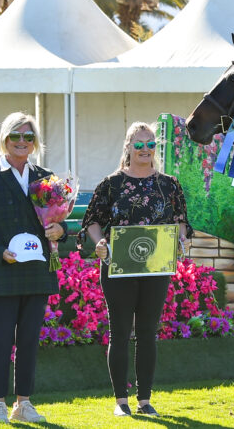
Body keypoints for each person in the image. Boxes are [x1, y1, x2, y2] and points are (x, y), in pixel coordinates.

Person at [81, 122, 192, 418]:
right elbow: (92, 221)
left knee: (147, 333)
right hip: (117, 267)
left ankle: (145, 400)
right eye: (139, 144)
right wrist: (100, 242)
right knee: (119, 333)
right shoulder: (111, 184)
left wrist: (181, 239)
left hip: (156, 268)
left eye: (150, 144)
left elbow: (180, 219)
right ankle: (121, 401)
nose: (145, 149)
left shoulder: (169, 184)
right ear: (128, 147)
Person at [0, 112, 67, 424]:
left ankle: (24, 403)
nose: (22, 141)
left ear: (35, 142)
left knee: (28, 343)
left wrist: (59, 230)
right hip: (2, 269)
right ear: (5, 139)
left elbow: (59, 219)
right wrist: (0, 252)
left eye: (28, 136)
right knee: (0, 343)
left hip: (37, 269)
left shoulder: (46, 177)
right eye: (16, 136)